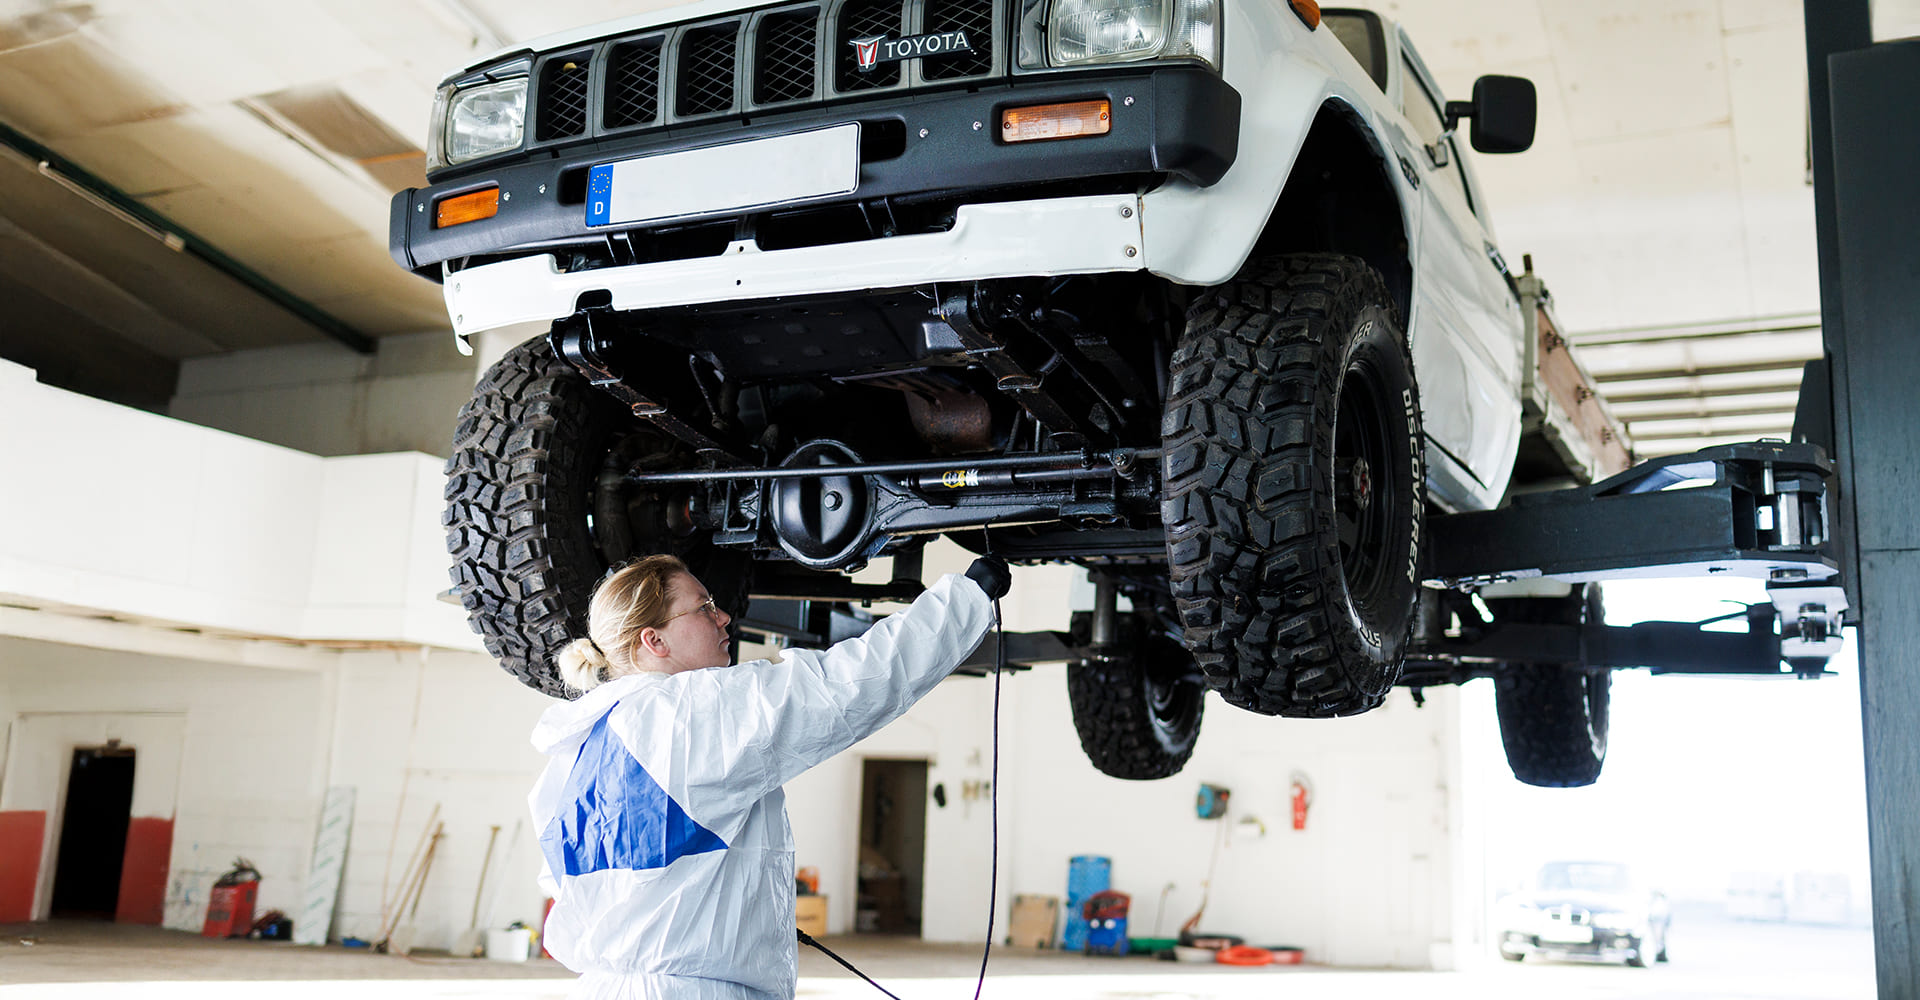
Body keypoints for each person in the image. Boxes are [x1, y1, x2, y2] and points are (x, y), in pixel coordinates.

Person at [527, 552, 1012, 1000]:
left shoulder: (576, 755)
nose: (723, 616)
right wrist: (967, 598)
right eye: (704, 608)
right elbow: (849, 686)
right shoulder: (688, 712)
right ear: (654, 640)